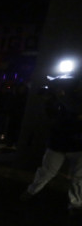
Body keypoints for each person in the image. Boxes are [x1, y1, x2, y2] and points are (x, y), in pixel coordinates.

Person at [20, 76, 82, 214]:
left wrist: (60, 96)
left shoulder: (68, 98)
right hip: (58, 142)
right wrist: (49, 101)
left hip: (78, 145)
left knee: (79, 178)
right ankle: (31, 192)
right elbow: (52, 116)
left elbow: (75, 109)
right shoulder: (64, 96)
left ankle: (76, 204)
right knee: (46, 171)